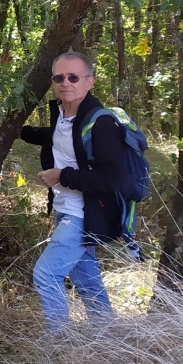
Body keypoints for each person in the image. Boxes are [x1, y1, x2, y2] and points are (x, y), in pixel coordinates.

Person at [20, 51, 130, 330]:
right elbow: (59, 139)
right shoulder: (64, 115)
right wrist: (18, 131)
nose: (65, 82)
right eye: (59, 77)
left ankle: (61, 347)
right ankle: (108, 339)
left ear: (89, 82)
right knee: (85, 278)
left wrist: (62, 176)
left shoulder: (101, 123)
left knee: (46, 273)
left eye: (74, 77)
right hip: (65, 210)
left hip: (84, 214)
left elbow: (112, 178)